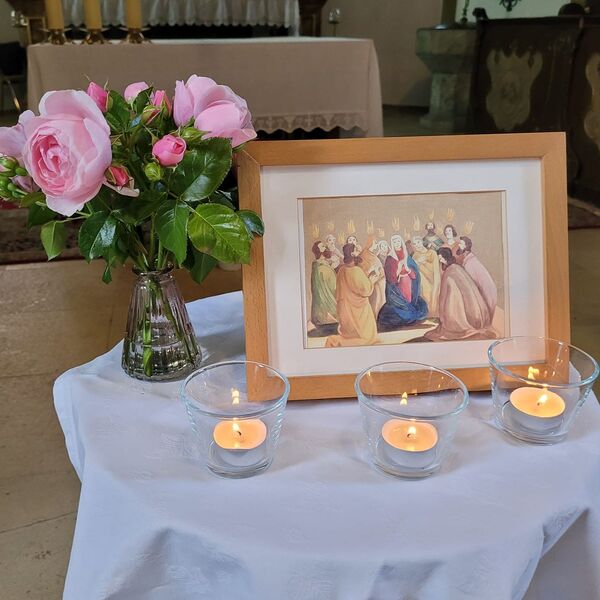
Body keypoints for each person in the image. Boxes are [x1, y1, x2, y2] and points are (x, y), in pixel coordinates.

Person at [426, 247, 495, 341]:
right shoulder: (454, 268)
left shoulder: (451, 271)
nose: (440, 260)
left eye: (441, 257)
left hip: (456, 308)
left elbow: (452, 294)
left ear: (446, 257)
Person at [325, 243, 379, 347]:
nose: (359, 251)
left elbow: (353, 284)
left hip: (345, 309)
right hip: (358, 310)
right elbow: (366, 290)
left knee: (350, 333)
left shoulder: (342, 270)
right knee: (367, 338)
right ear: (352, 254)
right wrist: (372, 280)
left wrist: (367, 275)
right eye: (356, 250)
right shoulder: (356, 271)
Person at [377, 234, 428, 331]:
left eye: (398, 241)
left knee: (411, 302)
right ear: (392, 244)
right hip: (398, 287)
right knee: (401, 305)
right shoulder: (390, 258)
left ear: (401, 242)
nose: (396, 243)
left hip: (409, 285)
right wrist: (400, 268)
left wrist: (408, 270)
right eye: (394, 241)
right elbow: (391, 278)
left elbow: (414, 274)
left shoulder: (407, 256)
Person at [456, 236, 497, 319]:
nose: (459, 245)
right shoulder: (468, 260)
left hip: (486, 293)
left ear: (466, 247)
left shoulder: (470, 263)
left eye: (461, 244)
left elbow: (472, 284)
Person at [309, 241, 338, 329]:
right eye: (322, 246)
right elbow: (333, 286)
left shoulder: (320, 265)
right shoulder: (322, 268)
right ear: (319, 251)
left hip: (321, 310)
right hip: (327, 306)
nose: (325, 247)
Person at [411, 235, 441, 317]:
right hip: (421, 283)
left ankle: (433, 314)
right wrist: (417, 264)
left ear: (422, 242)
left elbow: (435, 270)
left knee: (432, 297)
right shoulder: (415, 255)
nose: (417, 245)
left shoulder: (432, 253)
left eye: (418, 242)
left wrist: (424, 263)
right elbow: (413, 270)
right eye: (415, 244)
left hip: (432, 281)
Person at [360, 237, 386, 319]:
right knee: (375, 301)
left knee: (380, 301)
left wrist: (379, 272)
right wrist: (372, 271)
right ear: (370, 244)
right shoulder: (365, 255)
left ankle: (376, 319)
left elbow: (380, 269)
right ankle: (373, 319)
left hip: (379, 281)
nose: (376, 245)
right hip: (373, 283)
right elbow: (363, 270)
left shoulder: (371, 254)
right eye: (375, 243)